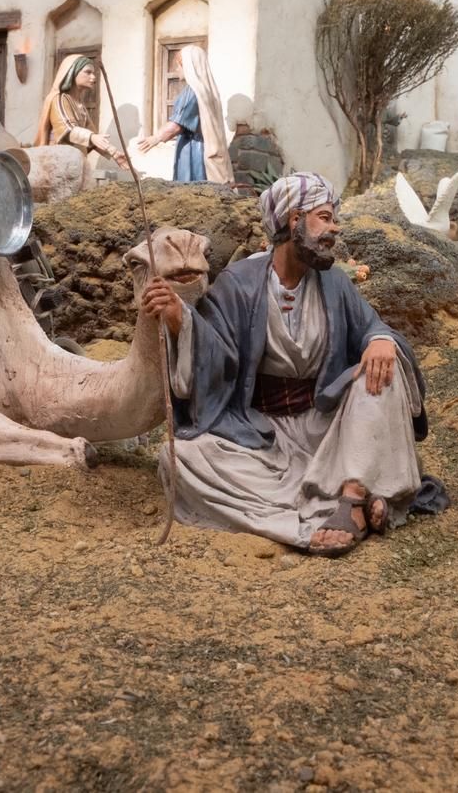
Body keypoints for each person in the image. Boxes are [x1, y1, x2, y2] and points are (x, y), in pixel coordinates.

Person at [140, 172, 427, 556]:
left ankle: (353, 497)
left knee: (383, 371)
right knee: (183, 458)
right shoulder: (239, 283)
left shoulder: (335, 283)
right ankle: (338, 500)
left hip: (327, 426)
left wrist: (379, 339)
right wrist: (180, 319)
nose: (334, 229)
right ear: (294, 221)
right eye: (325, 217)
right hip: (263, 432)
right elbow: (216, 357)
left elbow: (371, 327)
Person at [134, 46, 234, 183]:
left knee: (192, 189)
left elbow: (177, 125)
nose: (177, 70)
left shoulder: (193, 92)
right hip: (201, 146)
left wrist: (155, 138)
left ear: (188, 66)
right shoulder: (207, 91)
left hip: (194, 151)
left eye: (179, 66)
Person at [34, 54, 130, 172]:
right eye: (88, 72)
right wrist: (92, 137)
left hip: (76, 164)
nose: (93, 77)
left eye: (93, 73)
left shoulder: (80, 106)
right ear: (72, 72)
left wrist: (114, 152)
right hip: (58, 164)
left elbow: (93, 138)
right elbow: (68, 129)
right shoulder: (59, 99)